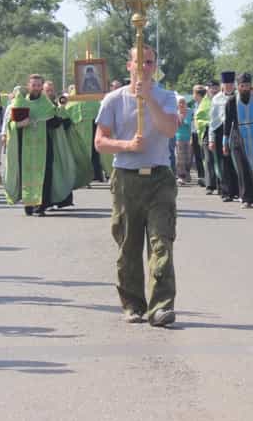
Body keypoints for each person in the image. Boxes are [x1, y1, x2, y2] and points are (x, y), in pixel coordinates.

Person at [95, 45, 179, 327]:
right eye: (138, 62)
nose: (144, 67)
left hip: (159, 178)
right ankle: (132, 303)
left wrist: (148, 100)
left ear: (155, 66)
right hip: (126, 177)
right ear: (129, 65)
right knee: (128, 245)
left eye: (149, 62)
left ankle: (161, 306)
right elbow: (100, 141)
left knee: (161, 242)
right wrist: (126, 145)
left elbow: (169, 129)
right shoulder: (113, 100)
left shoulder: (166, 97)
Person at [5, 74, 90, 214]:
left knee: (45, 176)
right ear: (29, 86)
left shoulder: (47, 104)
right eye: (34, 85)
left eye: (39, 85)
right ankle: (29, 204)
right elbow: (12, 125)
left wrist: (61, 112)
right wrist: (19, 124)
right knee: (26, 176)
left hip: (45, 147)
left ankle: (41, 205)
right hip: (25, 148)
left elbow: (55, 121)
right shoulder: (21, 103)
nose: (37, 88)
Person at [223, 72, 253, 208]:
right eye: (242, 86)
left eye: (247, 85)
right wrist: (225, 143)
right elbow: (227, 123)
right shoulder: (231, 102)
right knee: (243, 168)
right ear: (238, 86)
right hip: (238, 137)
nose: (245, 88)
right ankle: (246, 198)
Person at [65, 93, 114, 183]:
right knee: (92, 151)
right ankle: (96, 175)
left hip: (91, 123)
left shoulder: (76, 99)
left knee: (93, 151)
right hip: (88, 123)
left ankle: (98, 175)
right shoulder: (90, 97)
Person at [209, 72, 238, 201]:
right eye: (226, 84)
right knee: (222, 162)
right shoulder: (216, 98)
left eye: (231, 84)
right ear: (222, 85)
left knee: (235, 161)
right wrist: (211, 139)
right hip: (220, 131)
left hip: (235, 131)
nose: (229, 86)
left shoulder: (238, 97)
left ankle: (237, 190)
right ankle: (226, 192)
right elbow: (212, 120)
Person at [195, 80, 220, 194]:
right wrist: (207, 123)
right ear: (208, 90)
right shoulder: (204, 103)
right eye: (212, 88)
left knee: (221, 160)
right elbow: (198, 119)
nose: (214, 90)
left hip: (220, 132)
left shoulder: (222, 99)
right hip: (207, 132)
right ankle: (210, 185)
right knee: (209, 160)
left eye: (216, 88)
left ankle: (222, 185)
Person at [174, 96, 194, 185]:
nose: (181, 104)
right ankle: (181, 176)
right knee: (180, 158)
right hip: (179, 137)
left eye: (183, 102)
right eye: (180, 103)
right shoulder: (175, 113)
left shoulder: (191, 112)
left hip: (189, 137)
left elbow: (193, 125)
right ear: (177, 105)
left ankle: (187, 173)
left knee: (189, 157)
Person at [190, 85, 207, 186]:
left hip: (202, 133)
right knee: (198, 156)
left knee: (203, 156)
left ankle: (205, 176)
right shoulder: (195, 105)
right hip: (195, 133)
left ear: (198, 94)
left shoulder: (204, 104)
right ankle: (201, 176)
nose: (193, 95)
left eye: (194, 93)